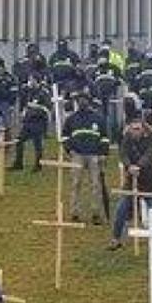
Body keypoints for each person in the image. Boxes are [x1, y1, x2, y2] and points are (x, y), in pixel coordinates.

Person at [108, 114, 152, 250]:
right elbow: (123, 153)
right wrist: (129, 166)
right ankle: (116, 238)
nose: (135, 131)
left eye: (138, 129)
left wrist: (139, 166)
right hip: (131, 180)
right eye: (133, 129)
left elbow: (149, 154)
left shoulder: (151, 138)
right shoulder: (126, 139)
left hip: (149, 181)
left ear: (142, 128)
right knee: (121, 209)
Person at [62, 92, 110, 224]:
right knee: (75, 184)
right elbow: (65, 136)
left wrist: (103, 154)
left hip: (94, 155)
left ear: (89, 101)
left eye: (85, 100)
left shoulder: (98, 118)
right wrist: (69, 149)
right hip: (77, 155)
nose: (82, 102)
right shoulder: (71, 119)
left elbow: (105, 137)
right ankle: (74, 213)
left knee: (96, 185)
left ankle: (96, 213)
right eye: (80, 100)